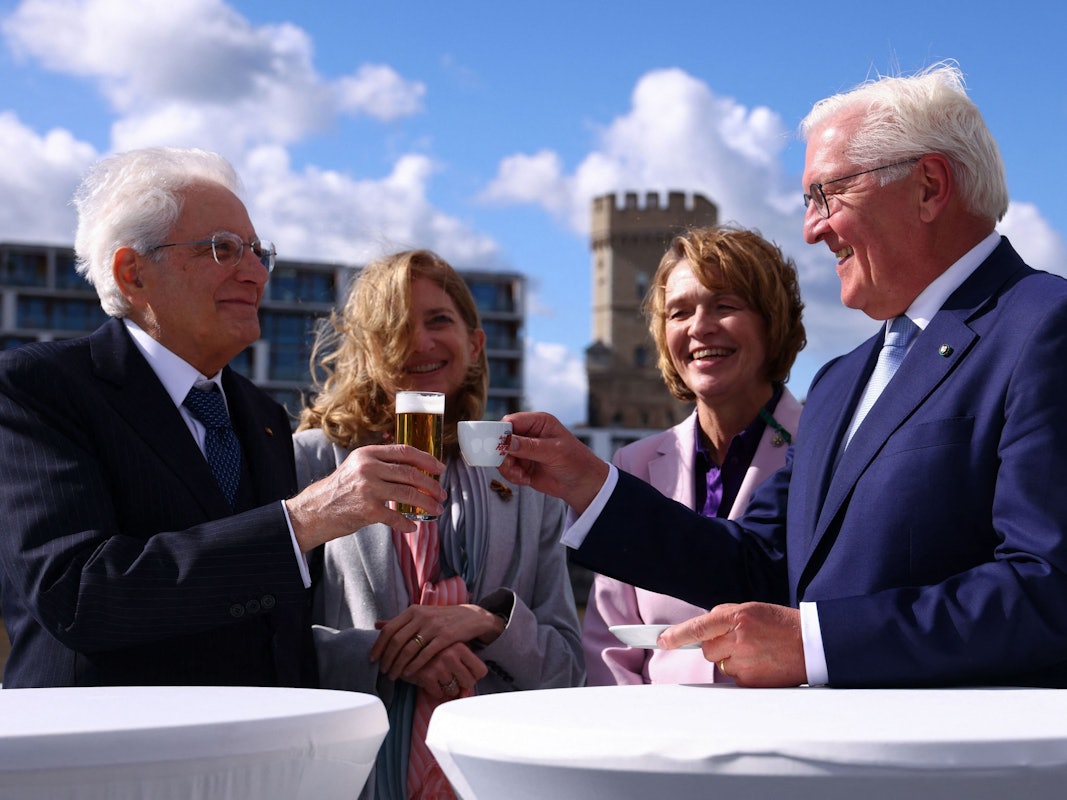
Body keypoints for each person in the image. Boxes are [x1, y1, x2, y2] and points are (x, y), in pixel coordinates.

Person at [498, 62, 1067, 689]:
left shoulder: (1044, 328)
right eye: (807, 201)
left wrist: (815, 644)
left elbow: (1048, 585)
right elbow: (760, 562)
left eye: (828, 194)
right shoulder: (840, 383)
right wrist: (589, 485)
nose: (811, 228)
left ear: (929, 187)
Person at [0, 147, 446, 689]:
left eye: (259, 252)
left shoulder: (262, 416)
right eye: (224, 249)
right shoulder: (36, 388)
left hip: (261, 753)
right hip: (108, 757)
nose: (256, 273)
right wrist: (302, 520)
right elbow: (77, 594)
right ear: (132, 272)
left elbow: (280, 624)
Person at [292, 249, 583, 799]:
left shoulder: (525, 480)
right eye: (395, 327)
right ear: (367, 352)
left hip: (495, 779)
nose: (419, 342)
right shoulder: (310, 463)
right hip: (351, 777)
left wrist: (486, 622)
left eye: (438, 321)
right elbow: (264, 647)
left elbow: (568, 671)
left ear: (475, 344)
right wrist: (387, 655)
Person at [582, 226, 804, 686]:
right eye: (679, 312)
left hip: (786, 737)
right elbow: (606, 650)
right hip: (656, 742)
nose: (700, 327)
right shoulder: (634, 466)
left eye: (725, 306)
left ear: (772, 320)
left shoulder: (826, 451)